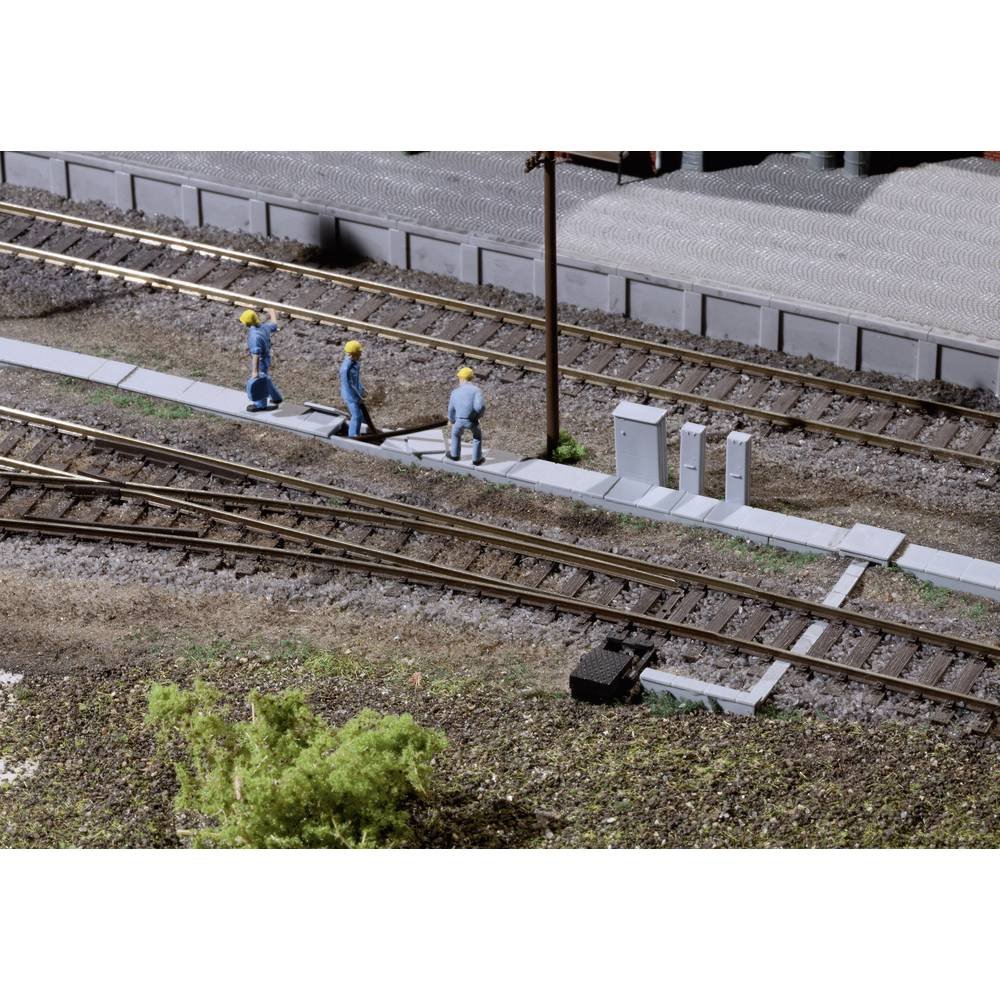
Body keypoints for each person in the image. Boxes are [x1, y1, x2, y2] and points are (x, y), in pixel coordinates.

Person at [240, 307, 283, 412]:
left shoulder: (255, 336)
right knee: (266, 378)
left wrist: (255, 371)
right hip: (267, 357)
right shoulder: (264, 327)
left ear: (247, 324)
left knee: (259, 380)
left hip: (261, 361)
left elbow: (256, 354)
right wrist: (272, 312)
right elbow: (274, 325)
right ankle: (276, 398)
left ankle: (261, 405)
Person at [447, 367, 485, 465]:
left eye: (459, 378)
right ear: (471, 378)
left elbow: (451, 409)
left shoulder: (455, 392)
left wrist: (451, 420)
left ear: (462, 379)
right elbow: (480, 407)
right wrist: (477, 416)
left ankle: (454, 455)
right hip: (472, 421)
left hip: (458, 421)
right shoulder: (476, 391)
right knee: (477, 437)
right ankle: (476, 459)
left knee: (455, 435)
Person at [340, 340, 366, 437]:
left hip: (355, 393)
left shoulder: (354, 363)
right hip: (350, 396)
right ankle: (353, 435)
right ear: (351, 354)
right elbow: (349, 386)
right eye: (359, 353)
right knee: (357, 416)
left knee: (360, 415)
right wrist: (358, 397)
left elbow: (356, 379)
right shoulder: (346, 369)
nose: (360, 355)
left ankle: (359, 429)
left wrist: (362, 388)